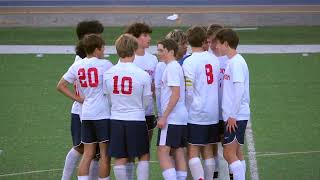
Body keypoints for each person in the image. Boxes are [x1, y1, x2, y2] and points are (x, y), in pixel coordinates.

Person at [57, 34, 113, 180]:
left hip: (86, 114)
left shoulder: (77, 66)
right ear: (96, 49)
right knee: (104, 155)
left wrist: (79, 99)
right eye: (102, 48)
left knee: (87, 154)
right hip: (102, 114)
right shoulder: (106, 64)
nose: (104, 51)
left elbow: (61, 86)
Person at [104, 34, 152, 180]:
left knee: (120, 157)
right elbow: (147, 100)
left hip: (116, 118)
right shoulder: (142, 74)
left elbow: (108, 98)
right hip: (136, 118)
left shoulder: (108, 73)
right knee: (143, 155)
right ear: (134, 49)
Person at [182, 26, 220, 180]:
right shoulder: (214, 59)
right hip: (213, 112)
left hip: (197, 112)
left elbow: (189, 91)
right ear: (204, 40)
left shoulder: (189, 62)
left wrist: (188, 108)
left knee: (193, 150)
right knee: (208, 149)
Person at [215, 28, 250, 180]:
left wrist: (233, 115)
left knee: (229, 153)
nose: (216, 47)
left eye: (219, 44)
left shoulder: (236, 62)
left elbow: (239, 89)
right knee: (236, 153)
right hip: (235, 115)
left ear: (226, 44)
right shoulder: (233, 61)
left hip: (236, 116)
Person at [125, 22, 158, 179]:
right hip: (131, 112)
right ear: (134, 38)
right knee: (130, 150)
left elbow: (155, 87)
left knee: (144, 149)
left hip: (148, 112)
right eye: (145, 35)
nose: (149, 38)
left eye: (148, 35)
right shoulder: (128, 59)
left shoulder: (153, 60)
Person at [156, 39, 188, 180]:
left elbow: (175, 94)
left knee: (163, 152)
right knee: (178, 151)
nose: (158, 53)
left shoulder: (172, 68)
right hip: (179, 116)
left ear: (171, 51)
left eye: (161, 50)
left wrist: (164, 116)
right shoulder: (173, 67)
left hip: (172, 117)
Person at [207, 23, 229, 179]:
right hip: (211, 111)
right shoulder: (206, 58)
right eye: (209, 41)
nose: (212, 45)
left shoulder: (230, 59)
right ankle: (214, 175)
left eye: (215, 41)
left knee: (229, 148)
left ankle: (233, 174)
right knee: (211, 146)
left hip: (226, 112)